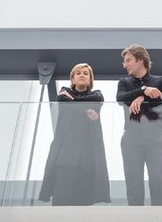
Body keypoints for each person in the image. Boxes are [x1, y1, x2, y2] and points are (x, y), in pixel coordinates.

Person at [38, 63, 110, 206]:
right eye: (78, 73)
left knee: (85, 196)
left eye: (85, 73)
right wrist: (85, 110)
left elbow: (95, 101)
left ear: (90, 79)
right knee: (62, 193)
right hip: (66, 153)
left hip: (88, 153)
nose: (82, 75)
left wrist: (74, 102)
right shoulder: (64, 91)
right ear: (73, 79)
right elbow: (65, 103)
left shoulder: (97, 94)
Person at [117, 44, 162, 205]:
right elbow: (121, 98)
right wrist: (143, 90)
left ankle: (160, 219)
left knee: (156, 178)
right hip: (131, 139)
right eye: (124, 61)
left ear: (140, 60)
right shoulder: (124, 82)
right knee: (133, 180)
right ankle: (135, 220)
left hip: (155, 138)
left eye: (128, 60)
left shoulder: (161, 81)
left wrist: (143, 98)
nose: (124, 64)